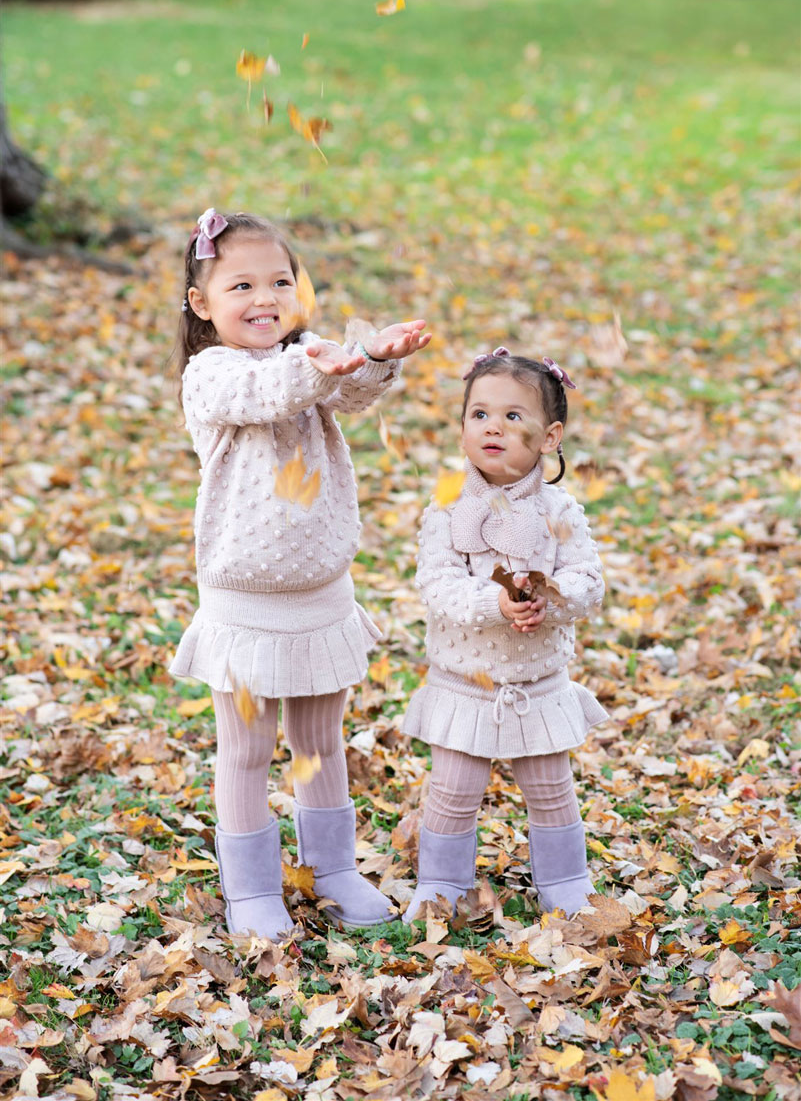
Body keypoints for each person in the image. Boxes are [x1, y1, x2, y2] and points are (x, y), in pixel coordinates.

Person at [170, 208, 431, 939]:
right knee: (248, 750)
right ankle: (251, 888)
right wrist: (318, 363)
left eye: (280, 281)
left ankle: (332, 867)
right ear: (202, 303)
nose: (265, 298)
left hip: (319, 594)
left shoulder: (312, 354)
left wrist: (375, 356)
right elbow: (269, 393)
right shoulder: (211, 373)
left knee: (319, 744)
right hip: (245, 603)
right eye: (242, 284)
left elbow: (353, 392)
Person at [402, 347, 607, 921]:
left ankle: (566, 884)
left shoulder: (559, 508)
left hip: (535, 683)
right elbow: (435, 585)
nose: (494, 426)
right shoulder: (446, 508)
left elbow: (589, 580)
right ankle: (440, 884)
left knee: (549, 787)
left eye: (514, 417)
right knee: (453, 789)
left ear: (549, 436)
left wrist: (553, 596)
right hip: (465, 680)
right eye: (480, 415)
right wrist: (494, 603)